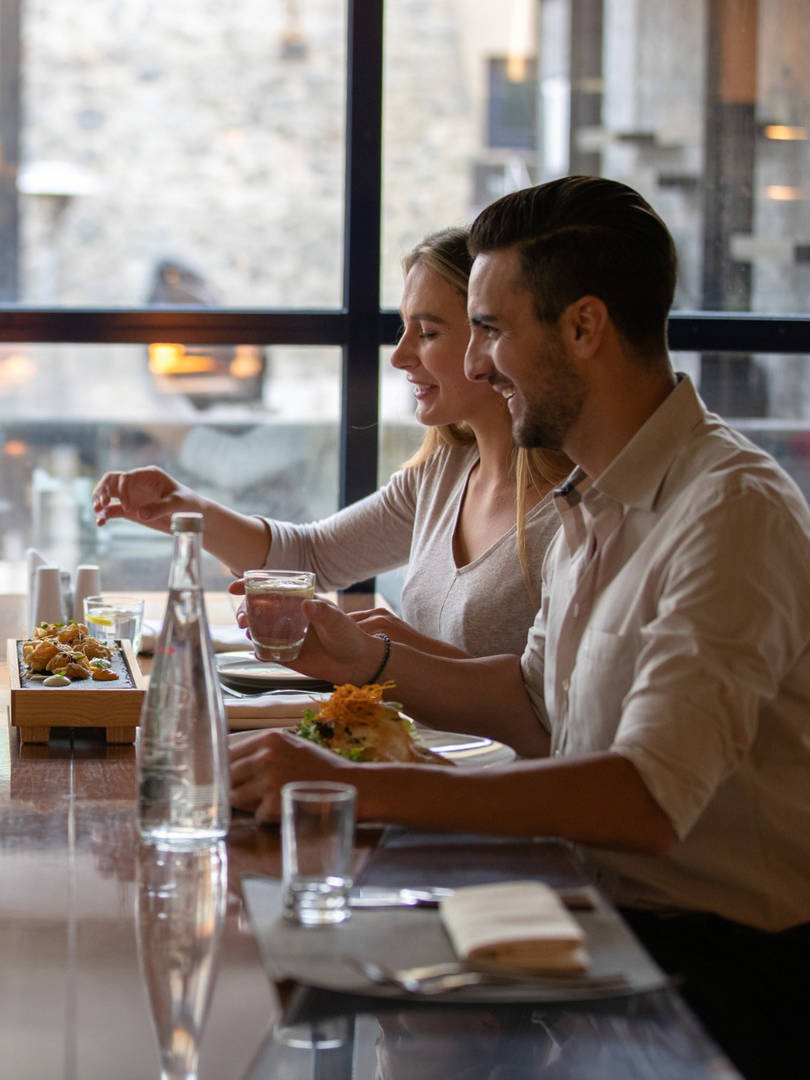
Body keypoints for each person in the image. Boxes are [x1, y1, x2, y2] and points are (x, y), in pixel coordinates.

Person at [230, 176, 810, 1079]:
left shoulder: (731, 512)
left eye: (491, 331)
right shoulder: (589, 496)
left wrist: (356, 789)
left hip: (718, 981)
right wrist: (366, 656)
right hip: (586, 926)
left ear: (583, 328)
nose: (474, 366)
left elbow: (644, 800)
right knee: (283, 979)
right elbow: (532, 706)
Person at [92, 227, 570, 660]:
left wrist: (383, 653)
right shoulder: (443, 473)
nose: (399, 356)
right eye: (402, 329)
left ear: (492, 337)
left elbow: (543, 703)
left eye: (427, 333)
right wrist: (186, 508)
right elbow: (314, 557)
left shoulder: (573, 507)